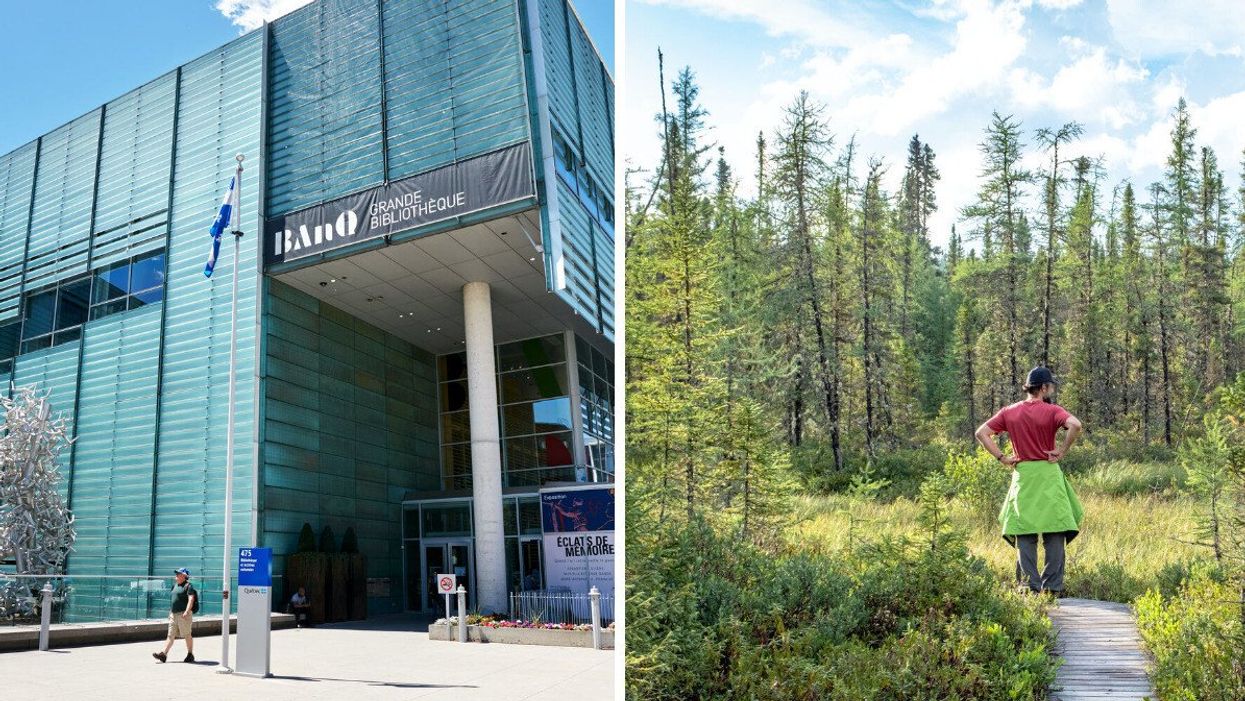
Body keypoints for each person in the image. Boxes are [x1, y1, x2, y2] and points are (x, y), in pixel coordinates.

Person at [975, 366, 1084, 597]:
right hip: (1048, 474)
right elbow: (1075, 424)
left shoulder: (1009, 412)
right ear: (1043, 387)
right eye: (1050, 386)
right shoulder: (1052, 411)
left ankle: (1028, 587)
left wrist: (1002, 457)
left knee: (1024, 533)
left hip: (1023, 476)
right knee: (1055, 531)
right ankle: (1052, 589)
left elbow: (981, 432)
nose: (1051, 389)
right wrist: (1062, 450)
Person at [153, 567, 196, 663]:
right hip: (173, 614)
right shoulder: (174, 586)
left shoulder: (188, 586)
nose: (176, 575)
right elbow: (173, 601)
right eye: (176, 573)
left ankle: (190, 654)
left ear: (184, 576)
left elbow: (191, 599)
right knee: (170, 635)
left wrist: (187, 611)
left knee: (187, 634)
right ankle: (163, 654)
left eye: (178, 573)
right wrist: (170, 612)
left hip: (183, 614)